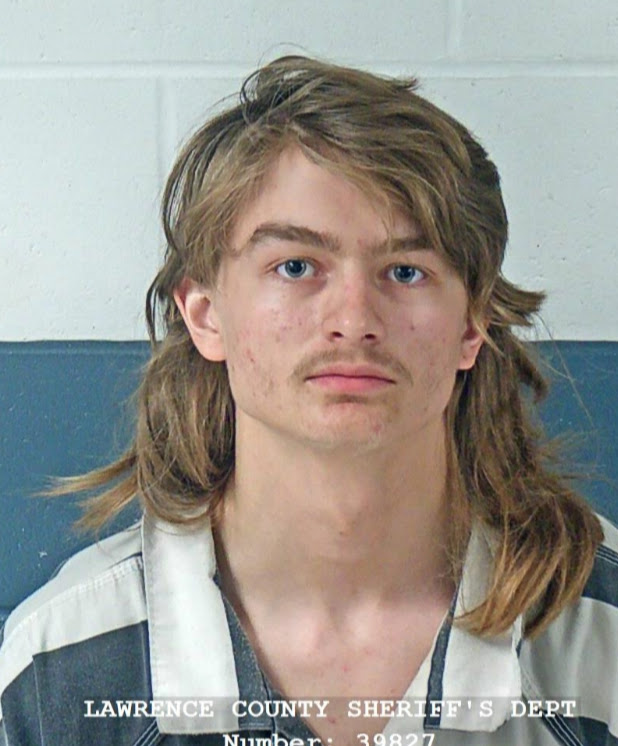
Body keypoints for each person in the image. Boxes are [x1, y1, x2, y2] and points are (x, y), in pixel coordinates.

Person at [0, 55, 616, 746]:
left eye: (405, 271)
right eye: (295, 266)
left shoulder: (602, 631)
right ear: (205, 314)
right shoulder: (58, 664)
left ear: (472, 326)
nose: (354, 319)